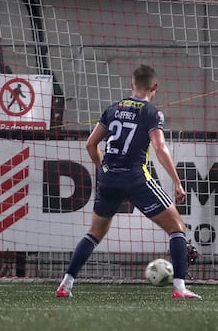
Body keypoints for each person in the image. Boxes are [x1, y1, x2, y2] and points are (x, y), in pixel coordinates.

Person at [55, 64, 200, 299]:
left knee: (94, 233)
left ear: (131, 85)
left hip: (109, 178)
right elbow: (160, 147)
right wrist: (177, 181)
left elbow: (90, 144)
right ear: (155, 87)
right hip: (135, 178)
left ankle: (65, 284)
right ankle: (180, 288)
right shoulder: (152, 112)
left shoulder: (113, 109)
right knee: (177, 228)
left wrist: (102, 169)